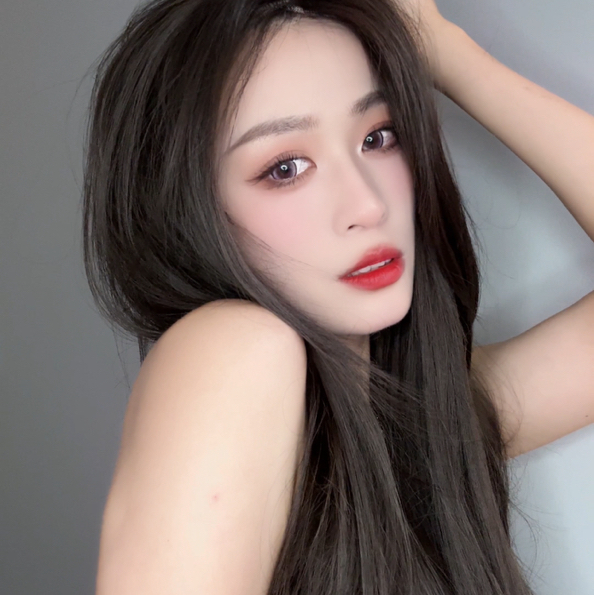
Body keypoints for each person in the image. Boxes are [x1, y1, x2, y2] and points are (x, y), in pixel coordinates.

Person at [83, 0, 594, 593]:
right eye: (285, 168)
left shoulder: (421, 416)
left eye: (379, 136)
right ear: (189, 213)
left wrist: (445, 51)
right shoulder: (230, 349)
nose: (368, 204)